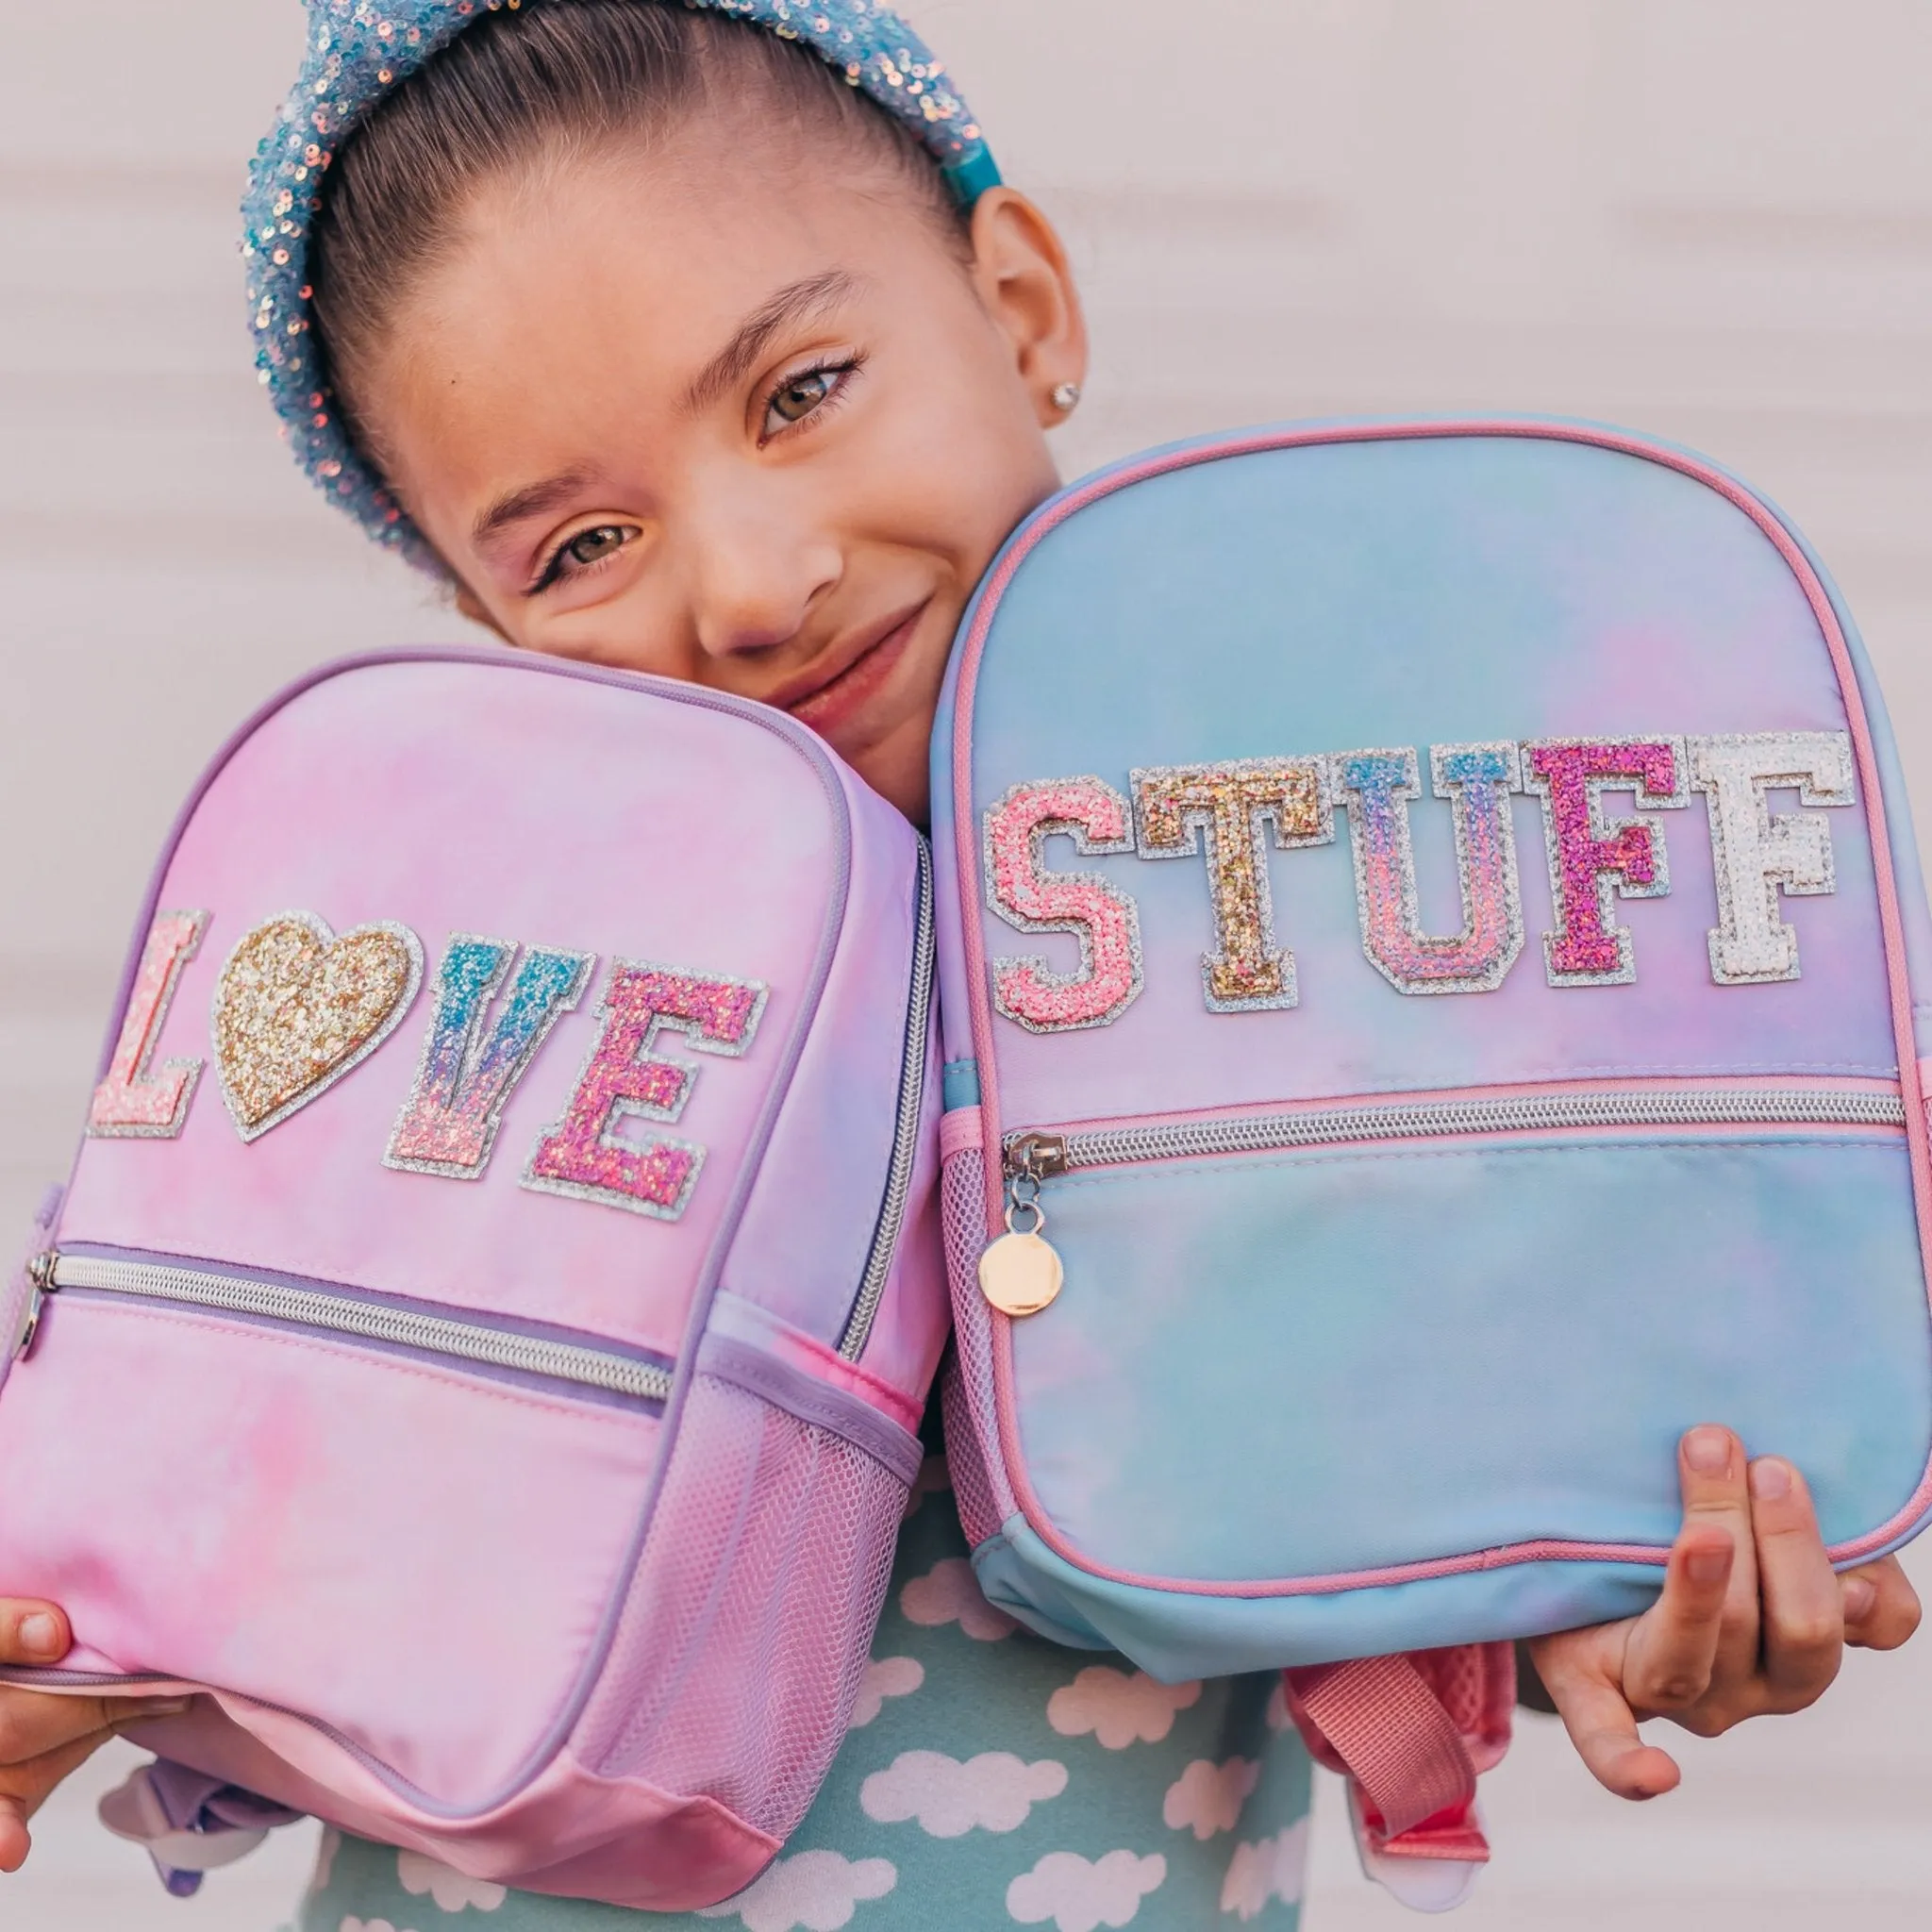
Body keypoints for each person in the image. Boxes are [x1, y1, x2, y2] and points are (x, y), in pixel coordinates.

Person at [0, 4, 1919, 1924]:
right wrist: (65, 1668)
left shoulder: (1304, 918)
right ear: (472, 610)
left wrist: (1575, 1602)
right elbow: (216, 1508)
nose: (753, 585)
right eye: (580, 543)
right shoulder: (455, 1007)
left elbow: (1396, 1450)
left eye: (800, 389)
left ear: (1019, 307)